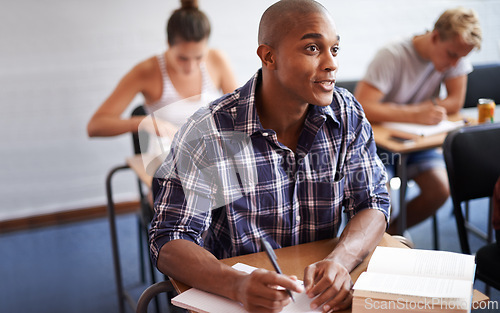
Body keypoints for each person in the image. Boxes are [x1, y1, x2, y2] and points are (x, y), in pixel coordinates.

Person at [149, 0, 390, 312]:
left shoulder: (346, 113)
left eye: (335, 49)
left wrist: (340, 261)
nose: (332, 64)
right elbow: (169, 238)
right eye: (313, 49)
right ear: (269, 56)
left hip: (318, 299)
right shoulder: (208, 131)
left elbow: (372, 201)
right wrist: (234, 283)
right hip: (240, 299)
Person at [354, 7, 482, 234]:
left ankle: (389, 235)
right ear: (434, 37)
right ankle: (379, 236)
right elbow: (362, 106)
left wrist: (427, 112)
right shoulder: (392, 55)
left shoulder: (456, 53)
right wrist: (415, 114)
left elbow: (455, 102)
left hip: (417, 141)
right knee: (382, 200)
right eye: (452, 55)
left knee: (441, 190)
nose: (455, 64)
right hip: (379, 144)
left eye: (461, 58)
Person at [87, 0, 238, 157]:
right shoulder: (146, 71)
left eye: (199, 57)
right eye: (183, 58)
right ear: (168, 44)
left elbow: (240, 115)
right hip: (167, 163)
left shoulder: (217, 60)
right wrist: (143, 122)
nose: (191, 67)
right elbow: (95, 126)